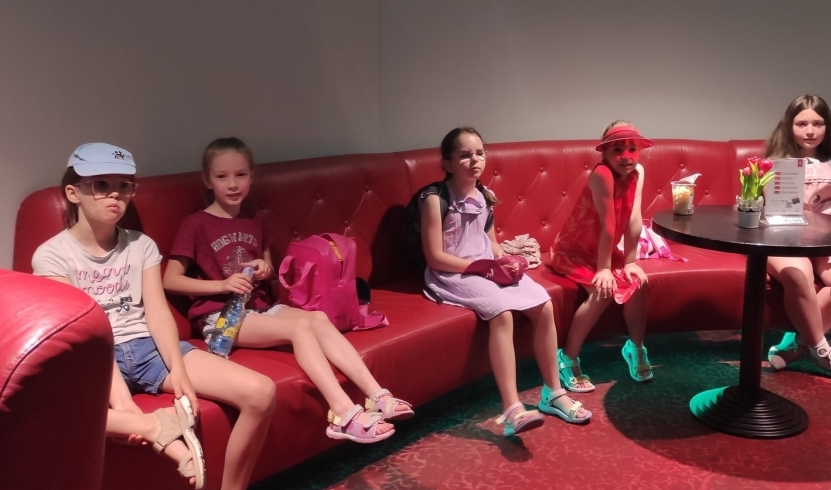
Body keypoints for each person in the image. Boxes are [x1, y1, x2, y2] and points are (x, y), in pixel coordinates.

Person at [33, 143, 275, 490]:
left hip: (146, 347)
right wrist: (124, 404)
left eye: (124, 186)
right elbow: (85, 330)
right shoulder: (51, 256)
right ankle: (151, 428)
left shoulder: (140, 244)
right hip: (94, 354)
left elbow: (158, 311)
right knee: (50, 411)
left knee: (262, 392)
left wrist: (177, 370)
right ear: (73, 192)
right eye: (100, 185)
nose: (114, 195)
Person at [163, 138, 412, 445]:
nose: (232, 184)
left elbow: (267, 267)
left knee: (318, 318)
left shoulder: (256, 219)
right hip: (221, 318)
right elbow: (171, 280)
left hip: (261, 307)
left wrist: (263, 268)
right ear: (207, 180)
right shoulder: (196, 224)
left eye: (240, 175)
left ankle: (376, 395)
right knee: (299, 329)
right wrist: (222, 285)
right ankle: (343, 413)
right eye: (222, 176)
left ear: (252, 176)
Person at [419, 127, 591, 435]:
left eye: (479, 153)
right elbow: (435, 257)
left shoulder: (484, 195)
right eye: (464, 155)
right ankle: (512, 408)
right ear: (447, 163)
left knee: (544, 303)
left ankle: (553, 393)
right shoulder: (435, 199)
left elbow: (491, 243)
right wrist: (482, 267)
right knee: (502, 313)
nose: (475, 160)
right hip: (453, 273)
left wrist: (505, 260)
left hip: (487, 267)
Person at [763, 96, 831, 381]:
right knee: (799, 274)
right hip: (783, 237)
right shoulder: (774, 161)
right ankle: (824, 353)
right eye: (801, 124)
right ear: (789, 125)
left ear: (827, 126)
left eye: (817, 123)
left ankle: (798, 346)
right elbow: (770, 208)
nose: (810, 131)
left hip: (826, 239)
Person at [549, 120, 652, 388]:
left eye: (632, 149)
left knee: (638, 282)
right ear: (604, 153)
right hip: (574, 250)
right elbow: (608, 225)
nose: (626, 156)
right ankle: (567, 356)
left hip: (603, 251)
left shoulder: (638, 172)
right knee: (603, 291)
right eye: (617, 150)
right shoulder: (602, 174)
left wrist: (630, 261)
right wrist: (604, 269)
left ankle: (635, 347)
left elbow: (634, 218)